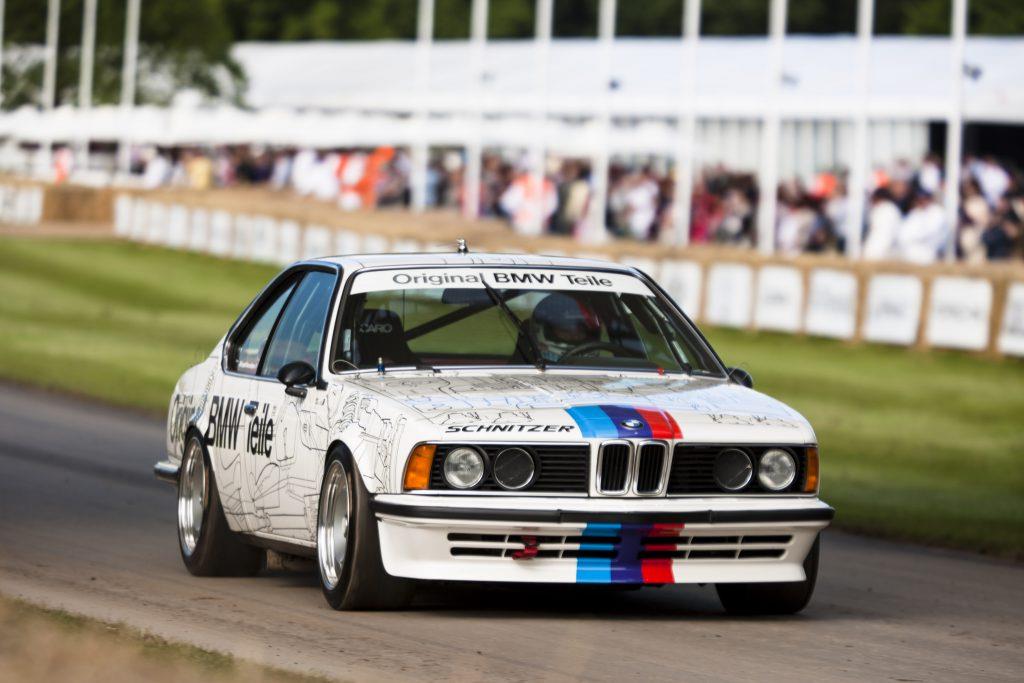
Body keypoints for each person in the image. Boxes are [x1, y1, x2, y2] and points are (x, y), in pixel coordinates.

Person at [895, 191, 947, 264]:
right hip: (910, 251)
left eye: (924, 199)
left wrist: (913, 237)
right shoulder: (915, 213)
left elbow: (931, 232)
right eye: (919, 199)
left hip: (930, 252)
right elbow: (903, 235)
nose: (922, 201)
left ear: (930, 199)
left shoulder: (937, 212)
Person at [863, 187, 902, 261]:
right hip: (880, 249)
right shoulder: (890, 209)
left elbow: (884, 235)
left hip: (881, 251)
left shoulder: (886, 210)